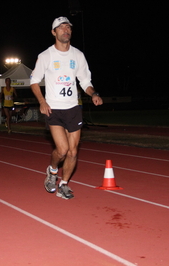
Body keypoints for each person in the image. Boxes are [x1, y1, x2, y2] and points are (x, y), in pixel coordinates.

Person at [30, 16, 103, 200]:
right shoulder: (46, 56)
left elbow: (85, 81)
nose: (65, 30)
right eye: (61, 28)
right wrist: (41, 101)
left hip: (73, 108)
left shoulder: (78, 55)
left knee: (73, 151)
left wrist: (93, 93)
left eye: (68, 27)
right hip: (53, 108)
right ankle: (52, 171)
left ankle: (64, 184)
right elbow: (34, 81)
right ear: (54, 32)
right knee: (62, 150)